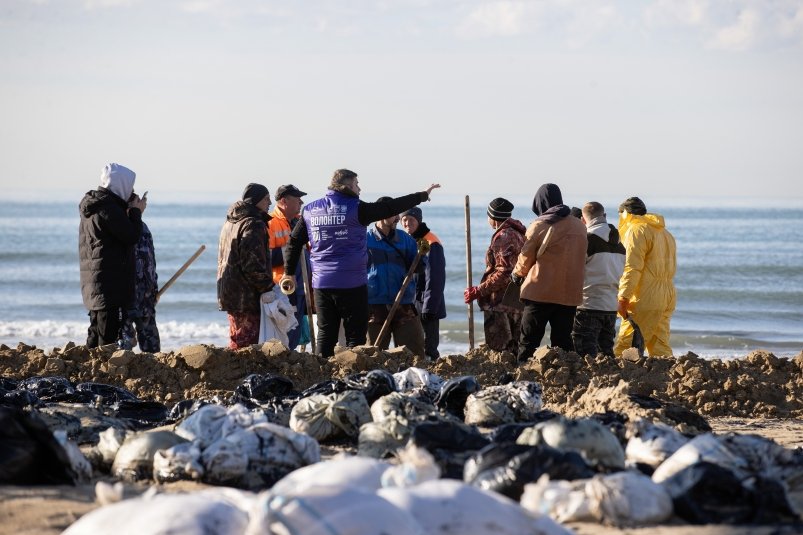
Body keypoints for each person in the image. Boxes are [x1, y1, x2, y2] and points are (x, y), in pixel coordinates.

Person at [281, 169, 440, 357]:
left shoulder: (310, 210)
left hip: (322, 284)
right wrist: (422, 195)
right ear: (347, 186)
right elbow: (391, 207)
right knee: (355, 336)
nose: (360, 188)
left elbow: (293, 242)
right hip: (352, 283)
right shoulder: (357, 208)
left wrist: (289, 272)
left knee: (326, 332)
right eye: (357, 184)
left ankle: (323, 375)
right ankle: (354, 377)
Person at [511, 183, 587, 361]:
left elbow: (525, 256)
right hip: (569, 293)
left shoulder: (540, 225)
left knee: (529, 341)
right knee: (562, 341)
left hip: (540, 292)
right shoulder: (579, 226)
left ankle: (524, 373)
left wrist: (517, 274)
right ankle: (566, 376)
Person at [79, 163, 145, 348]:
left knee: (95, 333)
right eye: (130, 186)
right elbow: (131, 236)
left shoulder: (94, 205)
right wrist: (135, 212)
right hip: (110, 286)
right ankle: (101, 376)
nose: (132, 191)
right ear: (121, 185)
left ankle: (90, 372)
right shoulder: (108, 208)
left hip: (95, 282)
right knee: (108, 339)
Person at [614, 196, 677, 357]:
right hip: (667, 295)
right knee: (659, 345)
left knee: (626, 345)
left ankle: (620, 379)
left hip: (645, 297)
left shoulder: (636, 231)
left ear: (626, 214)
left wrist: (623, 297)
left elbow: (632, 267)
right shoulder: (664, 233)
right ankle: (667, 378)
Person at [463, 198, 526, 354]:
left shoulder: (504, 236)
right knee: (514, 349)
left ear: (493, 217)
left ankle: (504, 377)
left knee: (501, 350)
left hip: (501, 303)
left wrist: (480, 290)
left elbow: (504, 272)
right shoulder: (518, 233)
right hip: (515, 300)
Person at [217, 183, 276, 349]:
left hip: (230, 293)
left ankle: (236, 373)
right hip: (246, 296)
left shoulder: (230, 223)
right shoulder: (253, 224)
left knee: (237, 339)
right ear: (255, 200)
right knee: (249, 344)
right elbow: (252, 264)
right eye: (266, 198)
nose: (270, 202)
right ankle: (247, 375)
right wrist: (268, 288)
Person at [366, 200, 427, 356]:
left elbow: (419, 268)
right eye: (393, 213)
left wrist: (421, 257)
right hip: (374, 306)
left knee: (414, 353)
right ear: (381, 214)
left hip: (403, 304)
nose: (398, 218)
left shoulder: (405, 240)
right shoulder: (365, 240)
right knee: (373, 356)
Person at [570, 201, 625, 357]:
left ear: (582, 220)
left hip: (589, 304)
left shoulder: (586, 241)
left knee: (584, 353)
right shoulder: (620, 244)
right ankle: (610, 380)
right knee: (606, 353)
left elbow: (575, 271)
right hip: (610, 306)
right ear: (605, 216)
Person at [401, 207, 446, 359]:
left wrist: (429, 306)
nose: (407, 223)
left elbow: (435, 277)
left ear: (419, 221)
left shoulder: (430, 242)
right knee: (415, 344)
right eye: (404, 220)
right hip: (412, 302)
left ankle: (435, 375)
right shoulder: (410, 240)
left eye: (411, 220)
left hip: (426, 305)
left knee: (429, 347)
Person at [119, 191, 161, 353]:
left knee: (152, 345)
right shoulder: (123, 228)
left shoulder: (143, 227)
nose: (143, 204)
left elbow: (150, 260)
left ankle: (153, 371)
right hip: (127, 297)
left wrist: (153, 288)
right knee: (124, 344)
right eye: (138, 201)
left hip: (146, 296)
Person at [268, 184, 308, 349]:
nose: (301, 202)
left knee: (296, 330)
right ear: (284, 201)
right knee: (284, 333)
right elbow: (267, 257)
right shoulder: (271, 223)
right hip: (282, 289)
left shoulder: (299, 222)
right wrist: (291, 250)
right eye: (297, 198)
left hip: (300, 286)